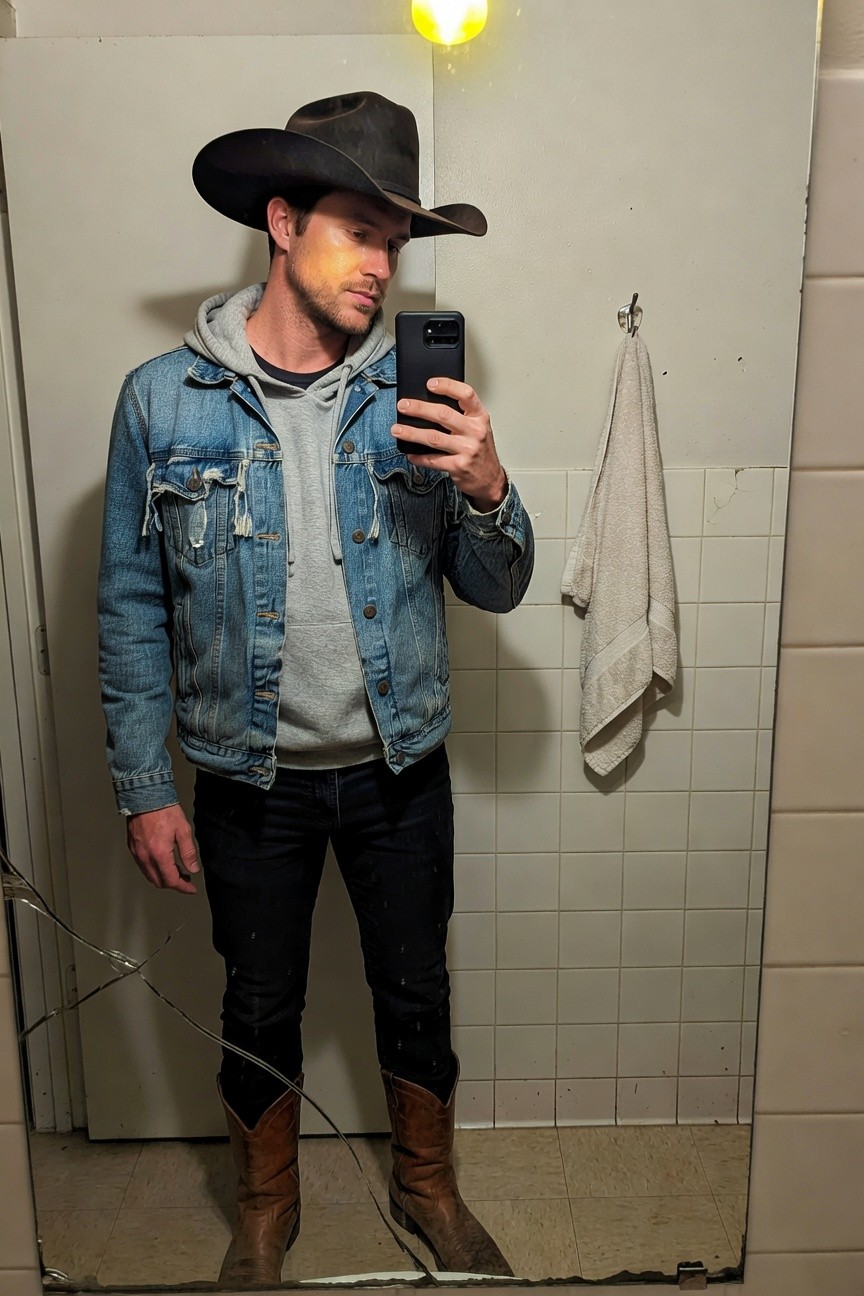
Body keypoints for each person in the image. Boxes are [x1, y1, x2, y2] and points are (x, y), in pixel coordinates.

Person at [98, 91, 534, 1284]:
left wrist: (488, 485)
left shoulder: (414, 388)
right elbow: (131, 604)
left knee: (415, 995)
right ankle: (265, 1205)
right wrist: (146, 785)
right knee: (258, 1003)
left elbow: (498, 589)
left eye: (398, 241)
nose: (383, 264)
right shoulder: (161, 402)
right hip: (250, 779)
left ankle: (429, 1189)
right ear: (283, 222)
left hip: (399, 767)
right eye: (361, 230)